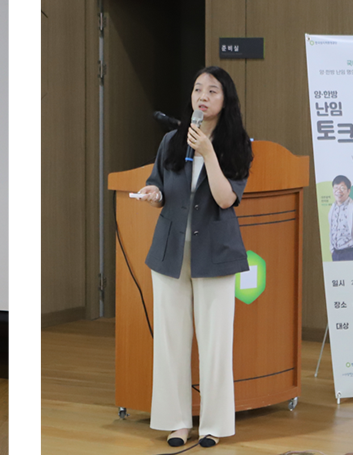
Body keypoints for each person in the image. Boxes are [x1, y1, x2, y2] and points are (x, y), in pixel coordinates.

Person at [135, 67, 253, 448]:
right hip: (170, 252)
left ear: (226, 100)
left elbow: (225, 198)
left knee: (215, 342)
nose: (203, 96)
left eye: (212, 91)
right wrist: (154, 194)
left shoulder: (237, 144)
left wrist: (207, 152)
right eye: (198, 89)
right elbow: (157, 182)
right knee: (171, 340)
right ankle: (176, 422)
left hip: (215, 253)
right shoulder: (172, 140)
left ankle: (213, 425)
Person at [329, 175, 353, 261]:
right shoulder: (332, 208)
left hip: (351, 253)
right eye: (336, 188)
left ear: (348, 191)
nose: (338, 191)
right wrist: (332, 250)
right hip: (336, 254)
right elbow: (331, 230)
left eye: (342, 188)